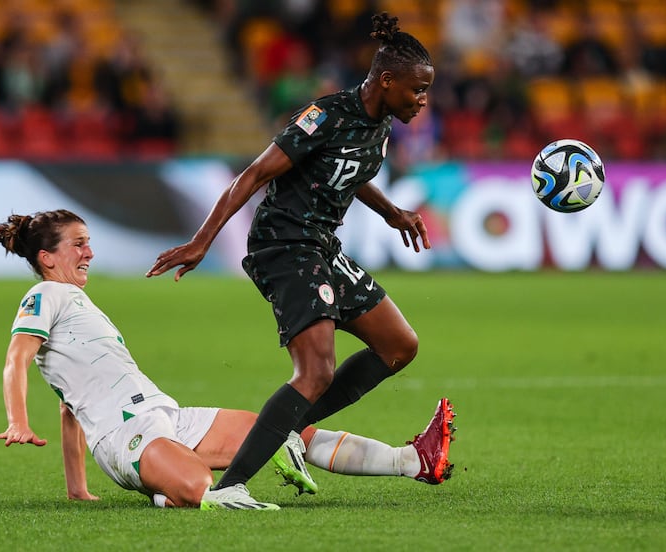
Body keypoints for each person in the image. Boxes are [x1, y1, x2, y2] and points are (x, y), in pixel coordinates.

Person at [146, 12, 456, 507]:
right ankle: (228, 489)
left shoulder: (379, 123)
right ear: (386, 80)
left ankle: (293, 425)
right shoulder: (325, 115)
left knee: (399, 345)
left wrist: (392, 211)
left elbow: (349, 172)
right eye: (417, 90)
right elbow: (251, 175)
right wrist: (202, 240)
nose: (423, 101)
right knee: (315, 373)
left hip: (321, 245)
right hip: (283, 245)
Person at [0, 209, 456, 510]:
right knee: (197, 487)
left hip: (167, 415)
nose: (89, 251)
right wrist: (17, 420)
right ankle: (167, 493)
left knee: (281, 431)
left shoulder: (76, 304)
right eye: (78, 244)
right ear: (47, 258)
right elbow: (16, 359)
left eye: (89, 240)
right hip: (124, 436)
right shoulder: (45, 294)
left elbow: (70, 405)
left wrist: (77, 489)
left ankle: (412, 460)